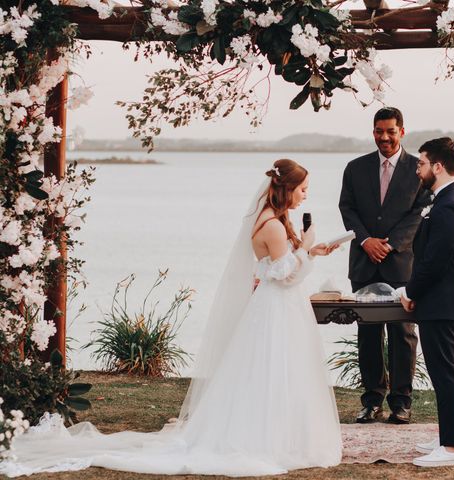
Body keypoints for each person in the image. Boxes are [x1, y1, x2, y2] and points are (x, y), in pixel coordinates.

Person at [1, 159, 342, 477]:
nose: (305, 195)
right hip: (276, 307)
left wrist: (309, 251)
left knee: (276, 369)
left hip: (275, 305)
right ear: (286, 190)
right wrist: (306, 248)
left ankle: (282, 431)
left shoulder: (270, 220)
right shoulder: (272, 225)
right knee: (273, 369)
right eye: (302, 190)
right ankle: (271, 437)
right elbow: (284, 273)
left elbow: (276, 268)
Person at [339, 107, 430, 424]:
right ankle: (371, 401)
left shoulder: (418, 169)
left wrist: (390, 244)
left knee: (404, 334)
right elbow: (347, 209)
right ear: (373, 131)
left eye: (391, 131)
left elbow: (420, 212)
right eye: (379, 131)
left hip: (402, 265)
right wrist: (366, 241)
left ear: (402, 131)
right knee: (367, 334)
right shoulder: (355, 168)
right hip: (364, 263)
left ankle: (401, 402)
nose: (384, 137)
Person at [398, 137, 454, 468]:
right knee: (442, 371)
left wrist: (410, 292)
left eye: (421, 163)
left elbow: (435, 261)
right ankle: (448, 435)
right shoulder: (448, 199)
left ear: (438, 167)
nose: (418, 168)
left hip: (442, 303)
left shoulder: (451, 205)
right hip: (439, 301)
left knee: (444, 373)